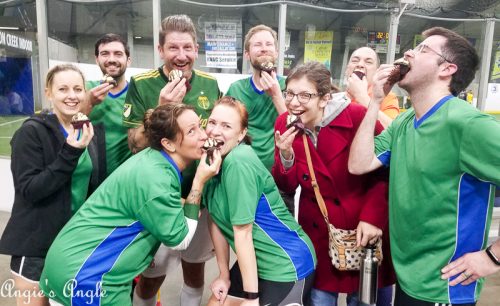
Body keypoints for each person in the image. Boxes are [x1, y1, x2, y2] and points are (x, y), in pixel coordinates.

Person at [348, 27, 500, 306]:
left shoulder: (469, 125)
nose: (409, 53)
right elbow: (358, 164)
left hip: (446, 287)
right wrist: (375, 102)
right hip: (409, 280)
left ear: (447, 69)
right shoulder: (405, 122)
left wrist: (493, 257)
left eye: (423, 50)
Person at [40, 103, 221, 305]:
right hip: (88, 276)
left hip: (71, 263)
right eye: (191, 131)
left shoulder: (152, 160)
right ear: (168, 144)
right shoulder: (155, 178)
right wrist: (199, 181)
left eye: (199, 125)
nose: (204, 135)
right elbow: (180, 240)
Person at [273, 61, 395, 306]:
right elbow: (287, 186)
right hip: (320, 230)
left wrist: (373, 217)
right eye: (290, 93)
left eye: (305, 95)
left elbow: (385, 171)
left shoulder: (357, 117)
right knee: (318, 297)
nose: (294, 102)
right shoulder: (284, 124)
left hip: (362, 228)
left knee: (363, 298)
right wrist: (285, 156)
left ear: (324, 97)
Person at [123, 14, 221, 306]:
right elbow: (135, 144)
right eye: (173, 48)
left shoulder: (210, 83)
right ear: (160, 50)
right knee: (153, 274)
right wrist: (161, 108)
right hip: (159, 197)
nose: (181, 56)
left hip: (200, 195)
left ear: (196, 49)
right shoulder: (142, 84)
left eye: (188, 48)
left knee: (194, 271)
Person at [0, 64, 106, 306]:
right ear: (49, 93)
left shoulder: (89, 131)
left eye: (78, 89)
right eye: (63, 89)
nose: (72, 95)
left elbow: (93, 189)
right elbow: (31, 189)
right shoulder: (31, 133)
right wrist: (70, 151)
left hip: (71, 242)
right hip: (37, 244)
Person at [204, 96, 316, 305]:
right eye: (212, 122)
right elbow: (215, 219)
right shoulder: (211, 161)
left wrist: (251, 297)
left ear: (241, 134)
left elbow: (243, 232)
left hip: (284, 263)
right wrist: (223, 275)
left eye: (226, 126)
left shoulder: (239, 161)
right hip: (256, 260)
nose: (215, 131)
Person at [225, 24, 296, 214]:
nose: (264, 48)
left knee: (283, 235)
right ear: (247, 54)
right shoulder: (236, 89)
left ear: (276, 52)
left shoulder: (290, 85)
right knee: (243, 231)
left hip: (279, 179)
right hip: (244, 175)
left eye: (269, 44)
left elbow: (295, 127)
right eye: (257, 45)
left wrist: (276, 95)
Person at [83, 33, 133, 176]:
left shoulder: (137, 94)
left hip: (126, 178)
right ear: (96, 59)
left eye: (118, 54)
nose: (111, 59)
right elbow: (65, 125)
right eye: (105, 54)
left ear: (128, 60)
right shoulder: (84, 90)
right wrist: (89, 102)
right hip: (92, 178)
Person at [345, 46, 400, 128]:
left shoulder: (386, 96)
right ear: (347, 69)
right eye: (355, 61)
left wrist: (362, 97)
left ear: (376, 71)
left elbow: (394, 130)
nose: (360, 65)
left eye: (368, 62)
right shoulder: (336, 97)